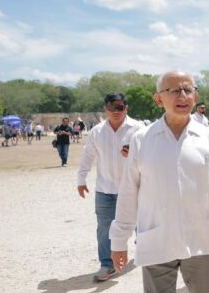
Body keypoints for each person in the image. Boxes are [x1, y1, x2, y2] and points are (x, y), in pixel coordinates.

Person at [109, 70, 209, 293]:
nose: (182, 96)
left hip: (200, 241)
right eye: (173, 91)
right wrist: (119, 240)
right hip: (157, 240)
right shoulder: (142, 140)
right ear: (159, 99)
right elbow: (128, 193)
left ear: (195, 96)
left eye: (188, 90)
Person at [76, 93, 145, 282]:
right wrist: (81, 179)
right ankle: (107, 265)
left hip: (135, 187)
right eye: (112, 107)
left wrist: (135, 154)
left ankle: (144, 250)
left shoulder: (139, 129)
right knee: (105, 228)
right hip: (105, 189)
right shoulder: (97, 132)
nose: (116, 111)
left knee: (143, 223)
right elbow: (88, 155)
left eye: (120, 107)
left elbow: (151, 155)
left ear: (126, 108)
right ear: (105, 109)